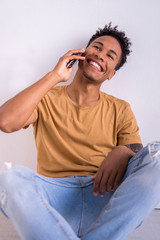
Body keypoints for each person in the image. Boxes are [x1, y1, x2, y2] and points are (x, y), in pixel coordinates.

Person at [0, 22, 160, 240]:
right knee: (10, 178)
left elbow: (141, 165)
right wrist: (55, 75)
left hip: (103, 197)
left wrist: (122, 151)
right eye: (97, 47)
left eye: (110, 55)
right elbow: (5, 122)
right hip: (54, 199)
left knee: (158, 156)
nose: (101, 54)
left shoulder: (120, 108)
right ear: (82, 53)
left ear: (111, 74)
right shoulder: (46, 97)